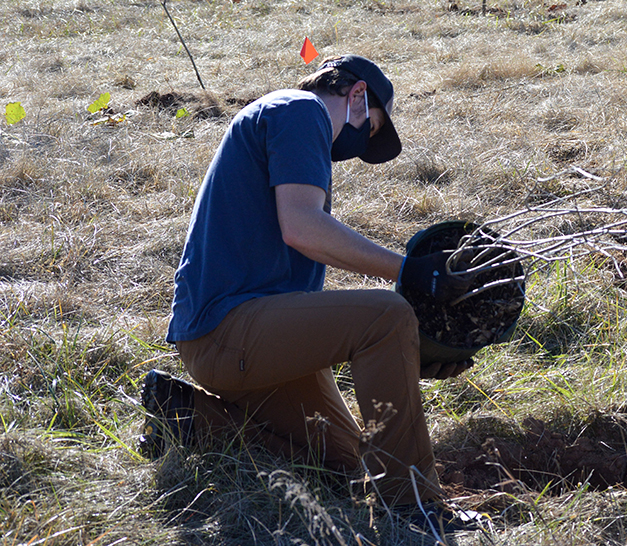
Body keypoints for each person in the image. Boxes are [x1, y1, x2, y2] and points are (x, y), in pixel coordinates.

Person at [141, 54, 481, 531]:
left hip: (242, 342)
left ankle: (195, 419)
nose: (360, 143)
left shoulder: (292, 124)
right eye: (371, 126)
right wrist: (410, 274)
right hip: (227, 330)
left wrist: (409, 353)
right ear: (357, 95)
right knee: (387, 314)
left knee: (348, 465)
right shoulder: (300, 111)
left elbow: (308, 284)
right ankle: (413, 506)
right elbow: (302, 228)